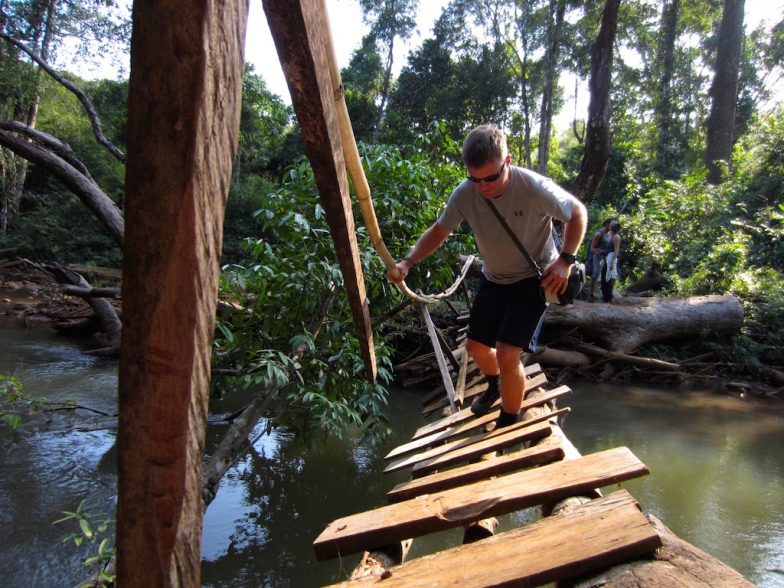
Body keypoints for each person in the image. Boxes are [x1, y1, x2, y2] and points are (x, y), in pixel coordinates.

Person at [389, 124, 587, 429]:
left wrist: (566, 260)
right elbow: (440, 230)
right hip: (494, 278)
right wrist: (408, 262)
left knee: (508, 354)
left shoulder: (533, 186)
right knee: (476, 348)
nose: (483, 187)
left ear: (507, 161)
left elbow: (577, 213)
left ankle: (508, 424)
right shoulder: (465, 194)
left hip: (532, 280)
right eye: (475, 179)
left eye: (491, 178)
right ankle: (495, 385)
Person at [586, 218, 612, 302]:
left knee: (606, 276)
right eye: (610, 224)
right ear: (606, 224)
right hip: (597, 257)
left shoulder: (611, 234)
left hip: (606, 257)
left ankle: (604, 296)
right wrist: (599, 254)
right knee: (595, 274)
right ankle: (590, 294)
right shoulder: (599, 234)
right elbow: (592, 248)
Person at [600, 220, 621, 302]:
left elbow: (616, 250)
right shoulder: (609, 235)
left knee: (610, 276)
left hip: (611, 258)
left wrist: (612, 262)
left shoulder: (616, 237)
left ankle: (608, 297)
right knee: (604, 277)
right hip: (606, 257)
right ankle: (605, 296)